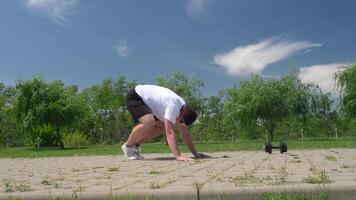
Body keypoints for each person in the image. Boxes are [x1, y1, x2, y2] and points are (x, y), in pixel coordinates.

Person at [122, 84, 210, 161]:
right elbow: (170, 133)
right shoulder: (173, 107)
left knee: (163, 126)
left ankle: (135, 146)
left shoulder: (183, 108)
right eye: (181, 120)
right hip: (136, 96)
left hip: (148, 103)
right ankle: (128, 146)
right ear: (184, 112)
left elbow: (185, 134)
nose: (178, 121)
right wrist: (178, 156)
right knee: (149, 121)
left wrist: (195, 154)